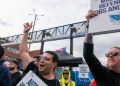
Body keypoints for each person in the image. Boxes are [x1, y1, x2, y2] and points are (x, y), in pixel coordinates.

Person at [83, 10, 120, 86]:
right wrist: (90, 25)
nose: (110, 55)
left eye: (114, 53)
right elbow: (88, 55)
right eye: (108, 54)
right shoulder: (103, 74)